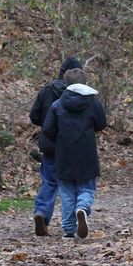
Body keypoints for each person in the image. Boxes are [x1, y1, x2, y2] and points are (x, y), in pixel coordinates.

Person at [41, 67, 107, 239]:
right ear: (86, 83)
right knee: (86, 188)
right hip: (87, 155)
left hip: (64, 156)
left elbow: (48, 130)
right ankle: (82, 208)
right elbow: (101, 124)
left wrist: (61, 139)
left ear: (67, 84)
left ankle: (69, 230)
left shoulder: (57, 105)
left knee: (67, 193)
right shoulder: (93, 103)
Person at [29, 57, 83, 236]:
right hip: (73, 147)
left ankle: (42, 213)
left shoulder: (47, 90)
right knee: (73, 185)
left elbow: (34, 116)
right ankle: (74, 221)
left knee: (50, 181)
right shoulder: (82, 94)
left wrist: (46, 124)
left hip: (50, 144)